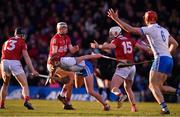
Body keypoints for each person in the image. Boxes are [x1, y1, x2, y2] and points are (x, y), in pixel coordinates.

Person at [107, 9, 179, 114]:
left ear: (146, 19)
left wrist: (116, 19)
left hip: (161, 59)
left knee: (152, 86)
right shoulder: (164, 29)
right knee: (160, 87)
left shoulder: (150, 28)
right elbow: (175, 44)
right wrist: (167, 54)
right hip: (169, 59)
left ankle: (165, 109)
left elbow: (130, 29)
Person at [91, 26, 151, 112]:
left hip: (123, 66)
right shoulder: (129, 39)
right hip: (132, 66)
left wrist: (98, 46)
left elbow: (110, 46)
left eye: (112, 33)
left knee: (113, 87)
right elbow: (142, 47)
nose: (111, 35)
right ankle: (134, 107)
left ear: (116, 33)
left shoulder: (117, 40)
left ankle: (120, 96)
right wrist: (150, 50)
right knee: (128, 88)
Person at [0, 27, 39, 110]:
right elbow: (26, 56)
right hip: (14, 62)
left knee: (5, 84)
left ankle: (2, 104)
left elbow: (3, 56)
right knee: (24, 84)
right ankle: (26, 101)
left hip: (4, 62)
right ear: (21, 35)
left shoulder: (6, 41)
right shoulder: (22, 41)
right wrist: (32, 70)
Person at [47, 22, 79, 110]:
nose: (66, 29)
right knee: (71, 76)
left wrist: (75, 49)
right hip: (54, 63)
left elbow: (71, 50)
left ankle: (65, 101)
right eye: (64, 28)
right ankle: (63, 98)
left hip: (61, 62)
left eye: (66, 28)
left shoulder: (67, 38)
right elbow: (54, 55)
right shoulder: (55, 39)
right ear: (59, 29)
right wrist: (52, 70)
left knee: (70, 82)